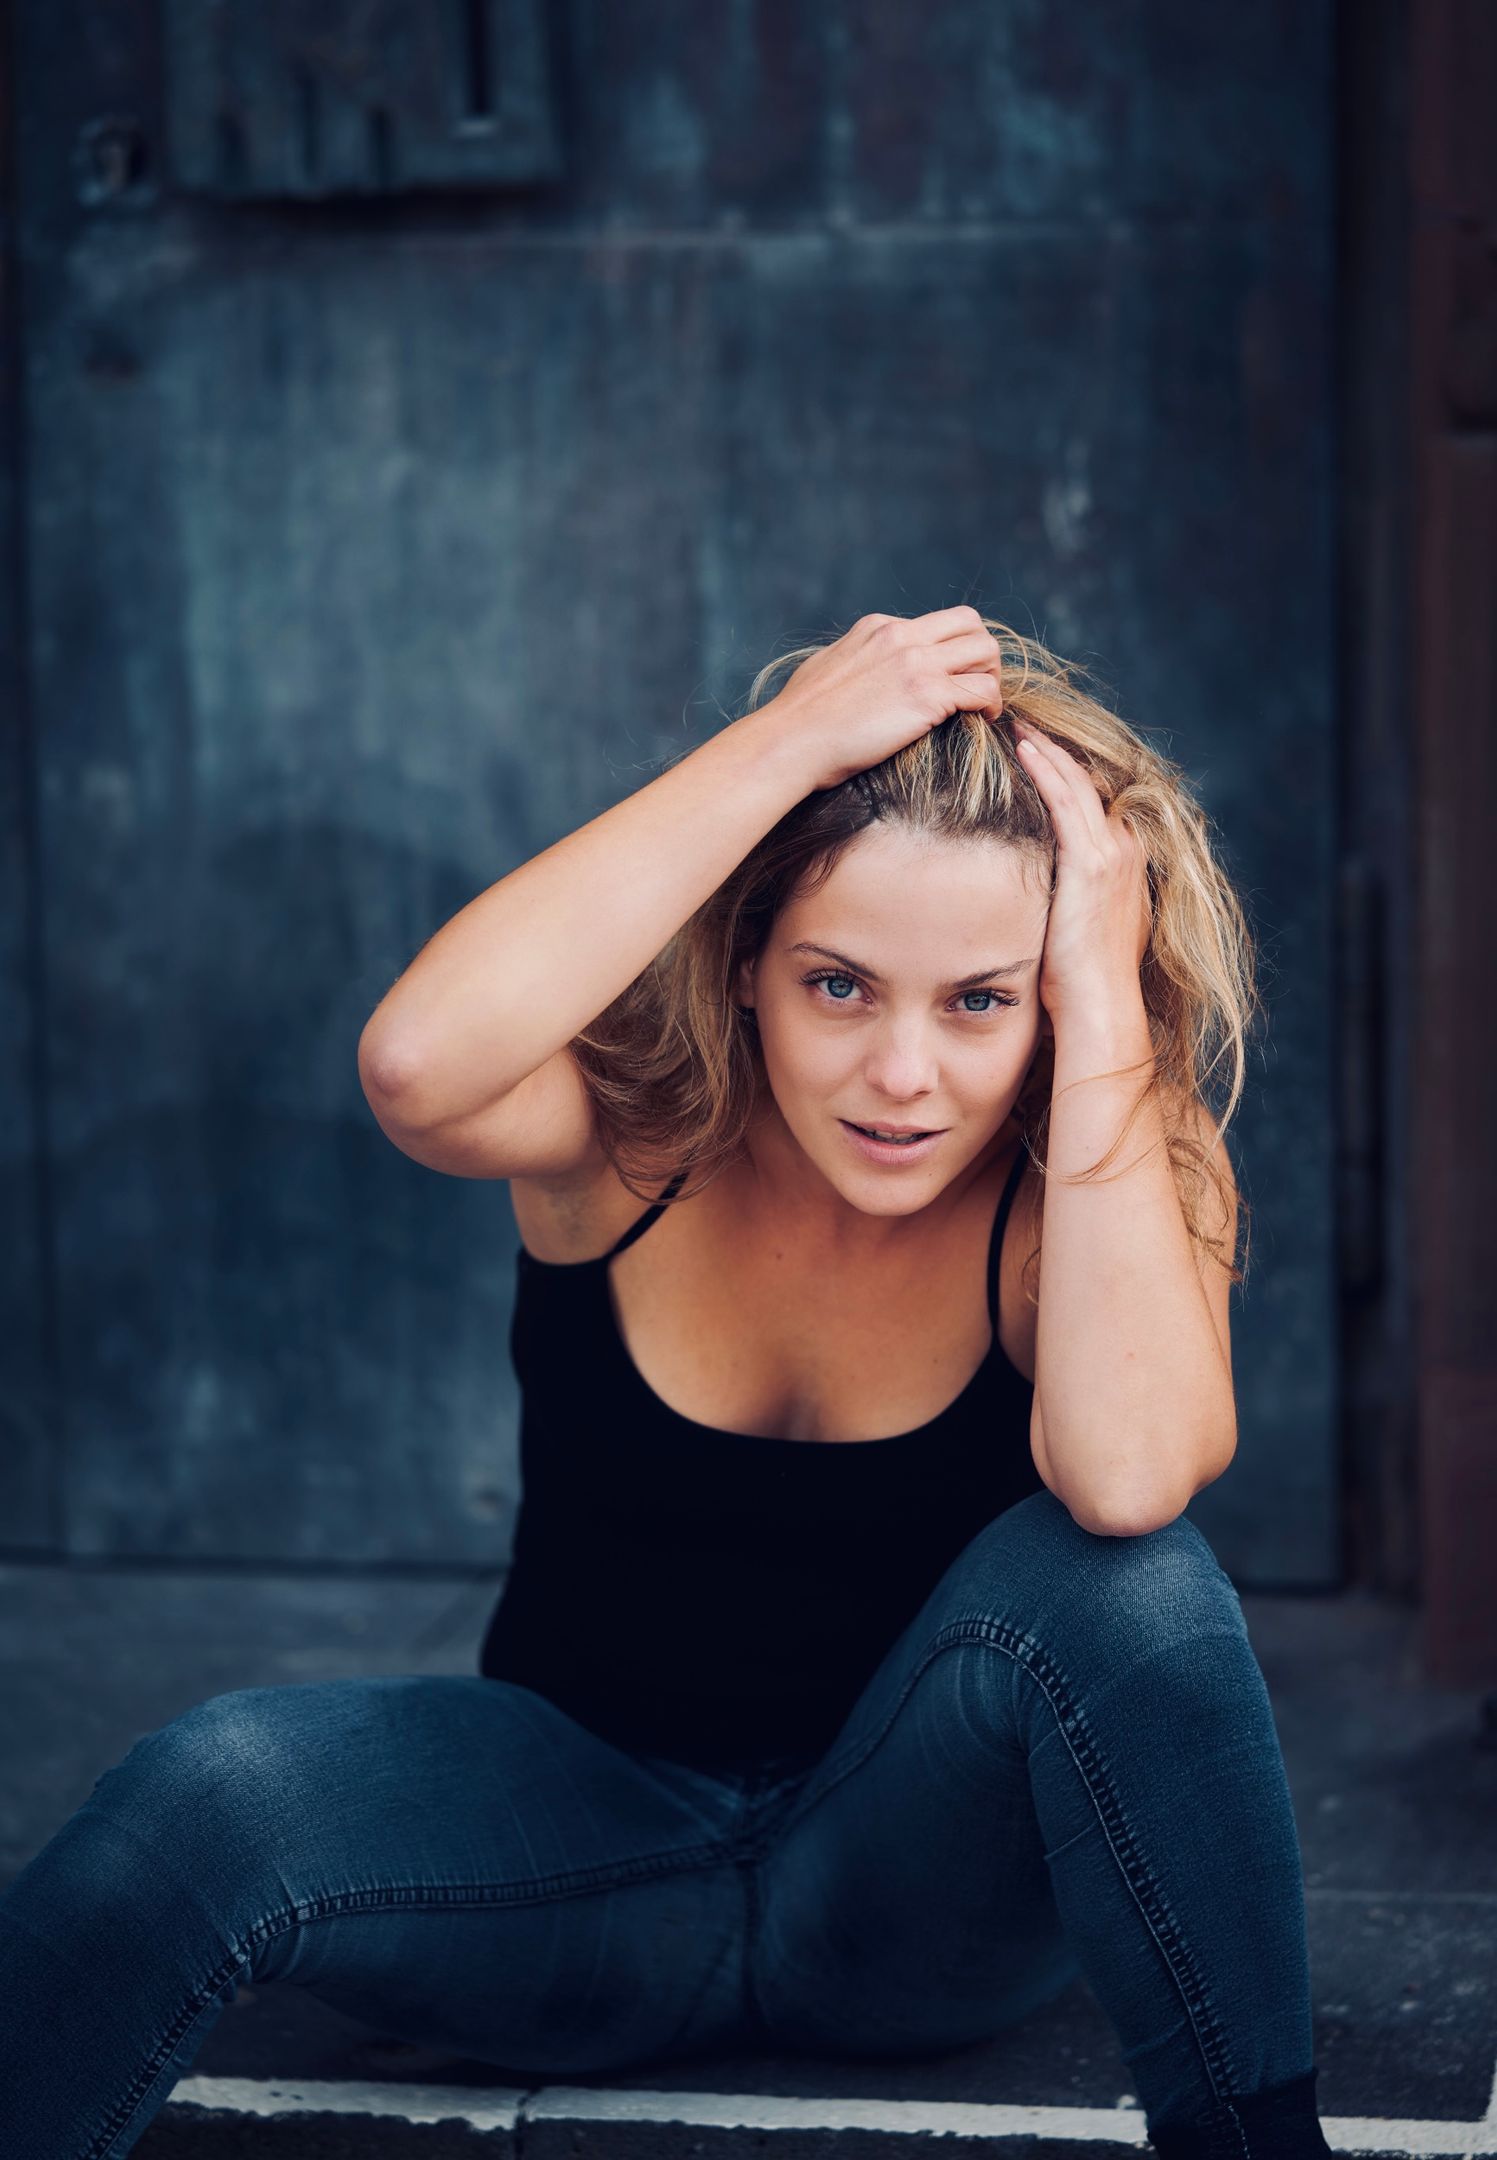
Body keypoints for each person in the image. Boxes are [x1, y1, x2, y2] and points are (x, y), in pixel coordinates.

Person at [0, 607, 1333, 2159]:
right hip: (574, 1876)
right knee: (213, 1783)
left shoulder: (1107, 1162)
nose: (902, 1076)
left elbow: (1127, 1476)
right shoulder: (636, 1132)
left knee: (1131, 1583)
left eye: (980, 1000)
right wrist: (786, 745)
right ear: (750, 963)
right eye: (838, 986)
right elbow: (419, 1067)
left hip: (913, 1910)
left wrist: (1101, 999)